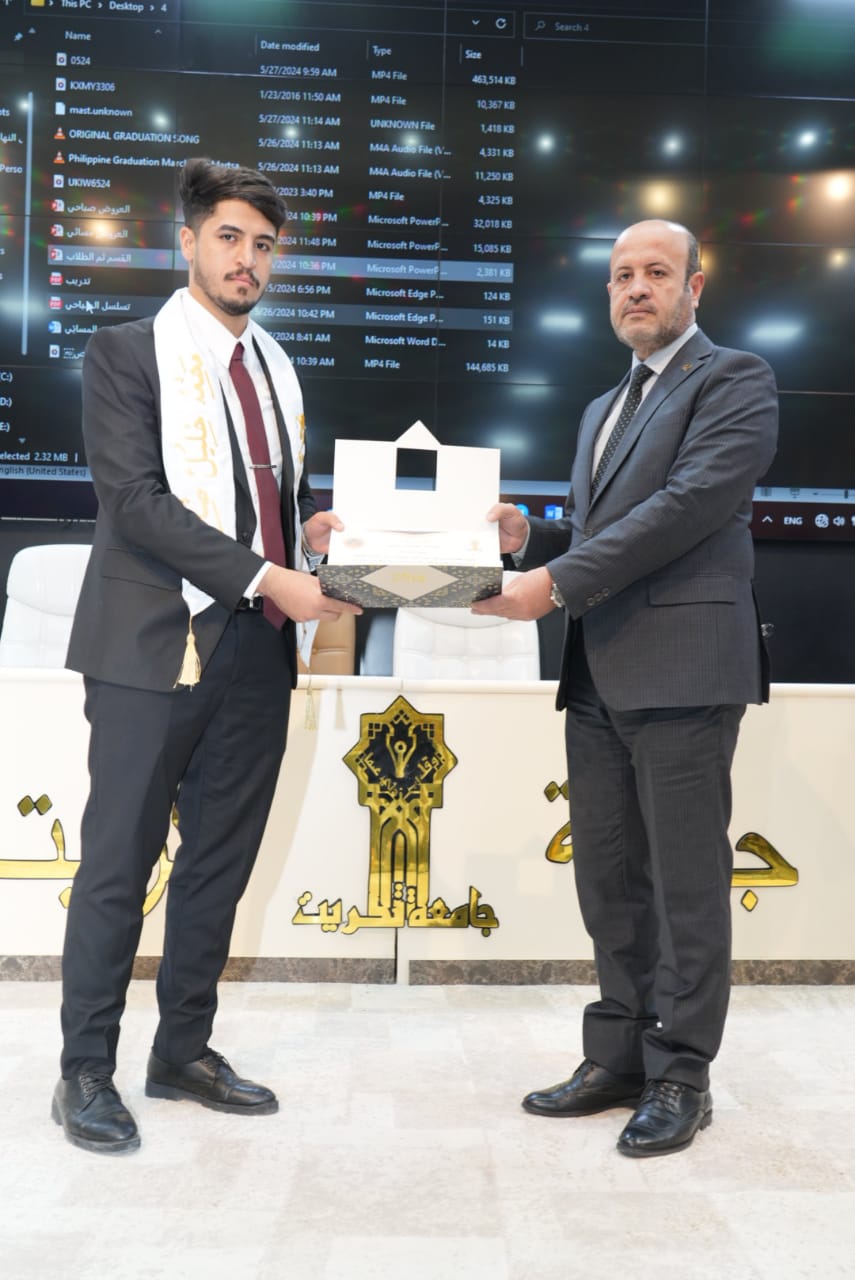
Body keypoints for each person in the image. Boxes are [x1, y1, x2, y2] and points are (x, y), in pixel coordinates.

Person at [52, 157, 361, 1155]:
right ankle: (84, 1070)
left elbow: (266, 505)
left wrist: (309, 532)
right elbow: (135, 502)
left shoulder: (275, 366)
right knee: (119, 863)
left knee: (218, 864)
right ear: (187, 241)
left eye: (264, 245)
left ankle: (182, 1049)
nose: (247, 260)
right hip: (153, 644)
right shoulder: (125, 352)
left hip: (255, 650)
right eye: (229, 237)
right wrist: (269, 575)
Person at [473, 218, 778, 1157]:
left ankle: (681, 1072)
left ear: (695, 286)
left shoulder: (733, 379)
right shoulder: (600, 408)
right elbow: (607, 538)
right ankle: (617, 1057)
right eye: (620, 275)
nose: (635, 288)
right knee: (609, 878)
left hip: (684, 667)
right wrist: (533, 545)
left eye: (655, 272)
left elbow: (684, 510)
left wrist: (553, 582)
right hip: (597, 673)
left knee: (685, 883)